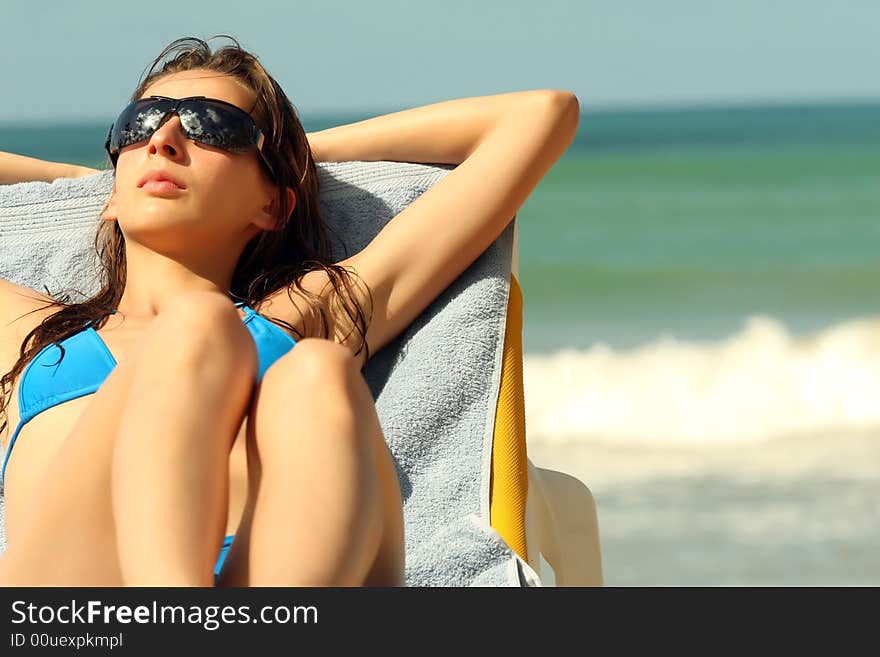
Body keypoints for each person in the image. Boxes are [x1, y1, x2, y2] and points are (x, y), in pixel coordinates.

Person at [0, 35, 579, 587]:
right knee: (197, 325)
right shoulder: (31, 332)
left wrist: (300, 153)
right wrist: (81, 182)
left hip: (271, 588)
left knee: (315, 369)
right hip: (81, 605)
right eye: (140, 125)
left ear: (273, 205)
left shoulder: (305, 315)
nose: (164, 140)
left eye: (215, 127)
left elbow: (539, 116)